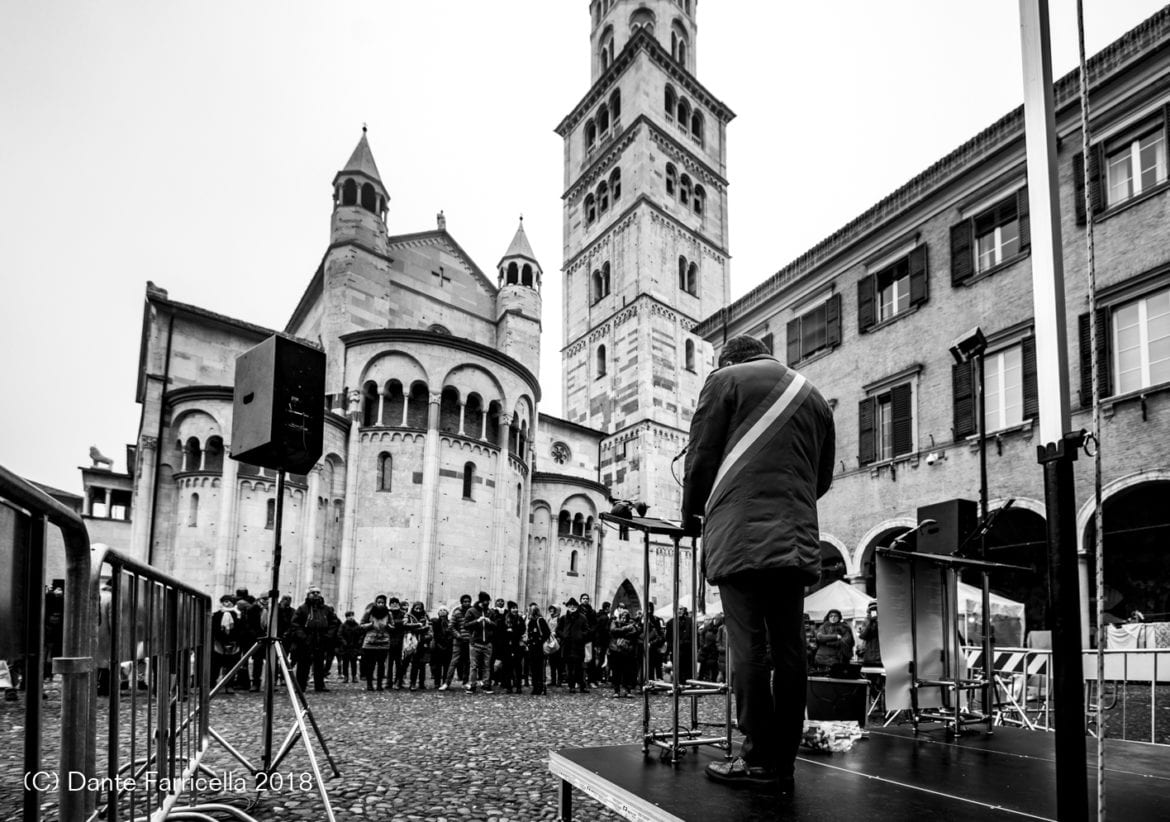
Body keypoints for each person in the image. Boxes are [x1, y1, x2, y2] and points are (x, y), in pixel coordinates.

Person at [681, 334, 835, 794]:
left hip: (740, 536)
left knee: (748, 647)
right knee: (789, 650)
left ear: (729, 359)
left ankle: (756, 756)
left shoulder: (724, 380)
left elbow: (701, 457)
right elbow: (821, 479)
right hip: (795, 539)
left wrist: (691, 515)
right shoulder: (814, 396)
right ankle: (783, 760)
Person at [291, 586, 340, 693]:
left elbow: (334, 622)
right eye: (313, 593)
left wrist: (328, 635)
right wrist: (302, 636)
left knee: (319, 664)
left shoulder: (326, 609)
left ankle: (319, 685)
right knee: (303, 664)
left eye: (318, 592)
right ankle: (300, 686)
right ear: (308, 595)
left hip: (321, 639)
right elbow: (295, 624)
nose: (316, 594)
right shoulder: (302, 609)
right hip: (306, 640)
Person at [556, 597, 590, 693]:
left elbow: (587, 630)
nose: (572, 607)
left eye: (574, 605)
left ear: (577, 607)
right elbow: (558, 630)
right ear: (567, 607)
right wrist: (564, 635)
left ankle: (582, 686)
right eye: (570, 605)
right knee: (570, 668)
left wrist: (581, 636)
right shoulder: (563, 618)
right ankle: (572, 686)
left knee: (580, 667)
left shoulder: (582, 617)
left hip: (578, 646)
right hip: (567, 646)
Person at [465, 591, 496, 693]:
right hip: (475, 643)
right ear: (480, 601)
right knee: (474, 666)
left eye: (488, 601)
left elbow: (496, 625)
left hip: (487, 643)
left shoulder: (490, 612)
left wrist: (490, 622)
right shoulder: (471, 611)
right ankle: (472, 685)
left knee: (487, 665)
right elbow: (466, 625)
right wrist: (477, 621)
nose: (487, 603)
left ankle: (486, 685)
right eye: (485, 601)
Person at [211, 594, 242, 694]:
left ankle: (229, 685)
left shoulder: (237, 614)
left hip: (234, 644)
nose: (227, 603)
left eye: (230, 601)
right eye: (225, 601)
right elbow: (214, 629)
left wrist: (234, 642)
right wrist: (222, 641)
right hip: (219, 644)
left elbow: (240, 629)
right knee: (215, 665)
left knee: (231, 666)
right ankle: (212, 684)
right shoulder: (216, 615)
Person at [441, 594, 473, 691]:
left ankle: (465, 682)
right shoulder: (457, 612)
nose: (467, 603)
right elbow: (451, 627)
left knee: (467, 662)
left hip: (469, 640)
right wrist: (458, 635)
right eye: (465, 601)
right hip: (458, 641)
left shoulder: (472, 612)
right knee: (454, 662)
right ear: (461, 602)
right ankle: (447, 683)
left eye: (468, 601)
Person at [360, 595, 392, 690]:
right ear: (375, 603)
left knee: (381, 664)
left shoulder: (388, 614)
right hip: (371, 641)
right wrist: (370, 625)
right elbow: (361, 625)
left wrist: (388, 626)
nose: (380, 604)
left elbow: (392, 625)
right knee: (370, 664)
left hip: (383, 641)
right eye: (379, 602)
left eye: (382, 603)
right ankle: (369, 684)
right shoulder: (369, 613)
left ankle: (379, 685)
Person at [607, 606, 639, 697]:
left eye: (626, 617)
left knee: (627, 672)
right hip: (616, 650)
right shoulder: (615, 622)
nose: (624, 619)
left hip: (627, 651)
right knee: (616, 672)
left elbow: (634, 633)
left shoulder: (632, 625)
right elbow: (613, 631)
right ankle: (616, 690)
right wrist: (626, 629)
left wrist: (621, 633)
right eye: (622, 617)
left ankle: (627, 690)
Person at [524, 603, 551, 695]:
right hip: (532, 648)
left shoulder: (540, 620)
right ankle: (535, 686)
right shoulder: (531, 622)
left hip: (539, 648)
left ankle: (540, 687)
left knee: (540, 668)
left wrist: (540, 641)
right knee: (533, 669)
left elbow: (547, 633)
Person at [406, 601, 432, 690]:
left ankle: (421, 683)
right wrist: (419, 628)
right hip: (413, 641)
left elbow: (429, 628)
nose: (418, 610)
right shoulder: (409, 616)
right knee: (414, 663)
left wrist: (427, 635)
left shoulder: (425, 616)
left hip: (424, 641)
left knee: (423, 664)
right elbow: (407, 626)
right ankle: (412, 683)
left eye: (420, 609)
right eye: (416, 608)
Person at [429, 607, 452, 688]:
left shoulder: (450, 622)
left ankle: (445, 682)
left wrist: (448, 642)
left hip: (448, 646)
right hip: (437, 646)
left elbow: (451, 633)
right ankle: (437, 682)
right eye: (440, 610)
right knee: (437, 666)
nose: (442, 612)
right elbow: (435, 634)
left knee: (447, 666)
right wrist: (439, 643)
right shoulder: (435, 622)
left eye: (444, 610)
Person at [338, 609, 363, 683]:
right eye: (349, 616)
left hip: (354, 647)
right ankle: (346, 677)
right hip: (345, 648)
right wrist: (344, 642)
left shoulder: (357, 625)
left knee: (354, 663)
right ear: (346, 617)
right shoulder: (343, 626)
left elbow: (361, 634)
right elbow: (339, 635)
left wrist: (359, 642)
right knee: (345, 663)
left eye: (352, 615)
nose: (351, 617)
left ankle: (354, 676)